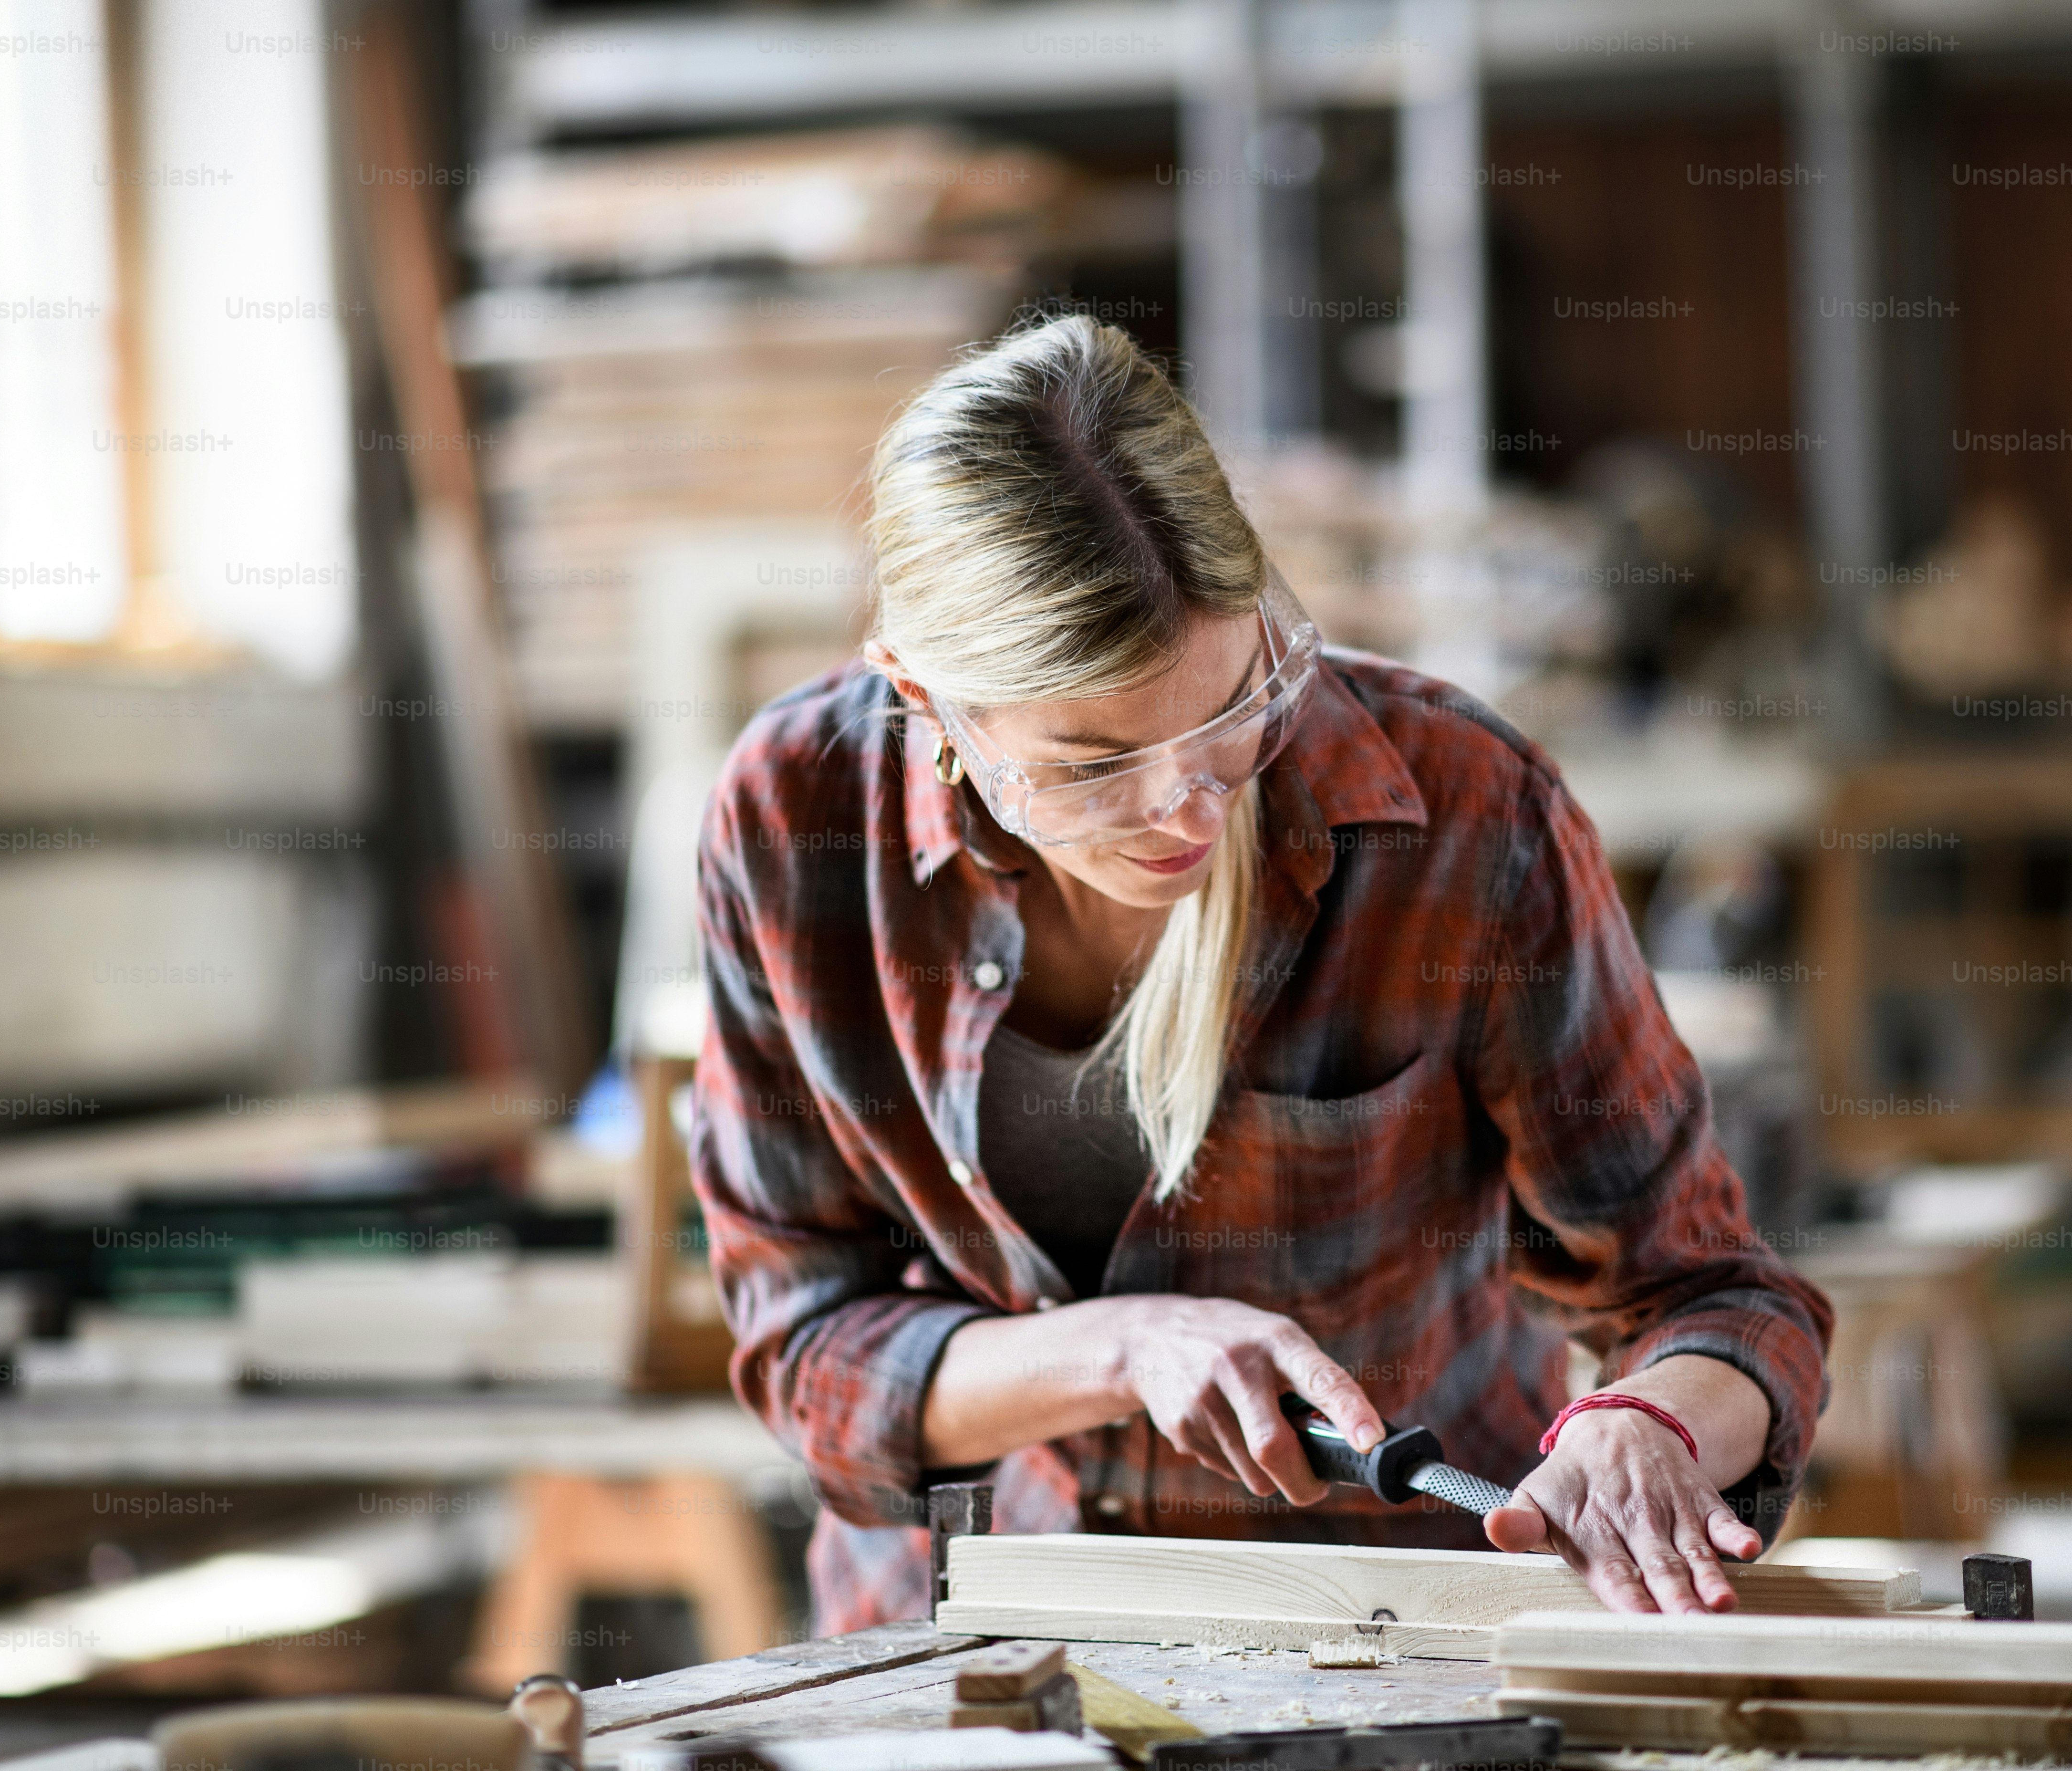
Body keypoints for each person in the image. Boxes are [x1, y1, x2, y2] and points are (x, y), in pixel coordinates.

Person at [689, 315, 1832, 1636]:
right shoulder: (797, 818)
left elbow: (1717, 1297)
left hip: (1392, 1634)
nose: (1188, 809)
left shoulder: (1458, 812)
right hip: (974, 1645)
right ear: (923, 696)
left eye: (1232, 710)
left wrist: (1650, 1421)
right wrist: (1120, 1351)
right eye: (1092, 763)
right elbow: (803, 1354)